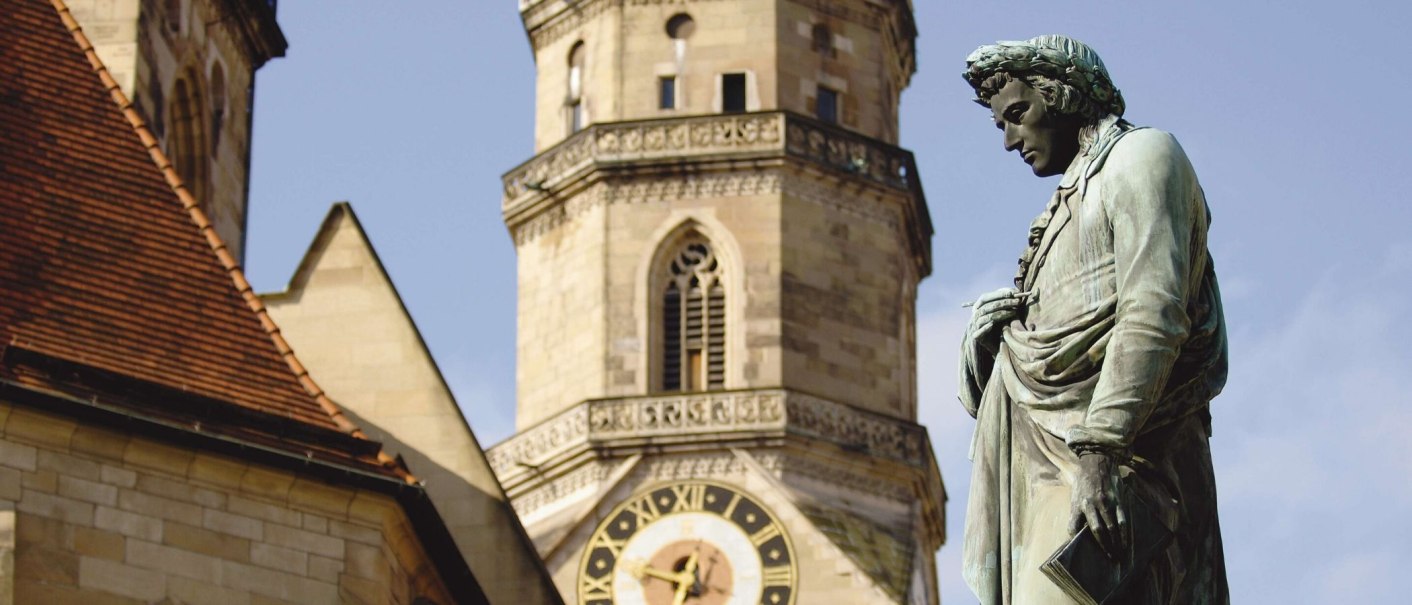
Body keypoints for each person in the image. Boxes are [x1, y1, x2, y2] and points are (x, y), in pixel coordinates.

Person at [957, 35, 1229, 603]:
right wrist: (990, 342)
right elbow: (1038, 357)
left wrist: (1101, 448)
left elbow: (1154, 308)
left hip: (1113, 468)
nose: (1009, 140)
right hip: (1044, 469)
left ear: (1061, 96)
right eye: (999, 125)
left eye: (1017, 113)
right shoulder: (1060, 209)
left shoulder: (1142, 157)